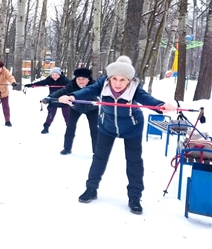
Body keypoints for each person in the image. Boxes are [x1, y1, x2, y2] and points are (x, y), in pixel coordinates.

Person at [58, 56, 176, 215]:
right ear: (109, 77)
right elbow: (88, 91)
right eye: (114, 78)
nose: (118, 83)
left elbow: (147, 99)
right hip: (107, 126)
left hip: (132, 127)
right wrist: (73, 96)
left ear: (129, 80)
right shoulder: (103, 83)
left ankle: (134, 197)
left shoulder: (135, 87)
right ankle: (91, 189)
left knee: (134, 161)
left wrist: (161, 106)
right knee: (99, 157)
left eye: (122, 79)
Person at [48, 68, 98, 155]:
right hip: (75, 108)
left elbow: (105, 93)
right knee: (70, 127)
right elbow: (62, 91)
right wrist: (49, 97)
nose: (81, 81)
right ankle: (67, 148)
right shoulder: (72, 84)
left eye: (83, 79)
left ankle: (97, 151)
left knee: (94, 130)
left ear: (88, 79)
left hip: (92, 109)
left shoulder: (94, 85)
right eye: (79, 79)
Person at [24, 67, 70, 134]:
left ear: (60, 75)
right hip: (53, 98)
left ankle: (69, 129)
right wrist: (31, 85)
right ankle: (46, 128)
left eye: (56, 75)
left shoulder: (64, 80)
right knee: (50, 114)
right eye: (53, 75)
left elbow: (72, 86)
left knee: (67, 115)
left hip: (64, 99)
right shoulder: (49, 79)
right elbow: (42, 83)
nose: (55, 77)